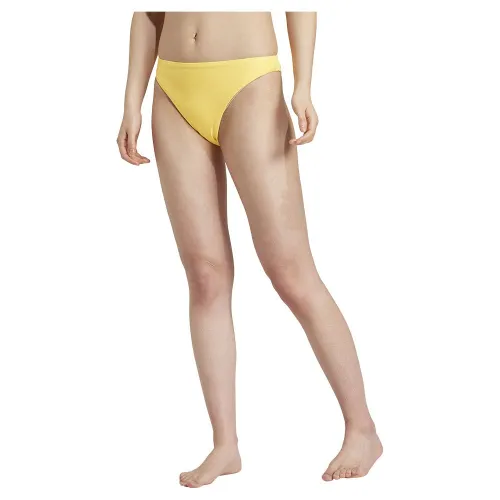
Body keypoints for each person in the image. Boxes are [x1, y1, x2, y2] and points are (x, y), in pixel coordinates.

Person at [117, 12, 382, 488]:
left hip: (249, 81)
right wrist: (131, 101)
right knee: (205, 275)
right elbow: (149, 12)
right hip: (172, 87)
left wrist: (303, 83)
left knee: (291, 272)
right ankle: (225, 445)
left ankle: (362, 430)